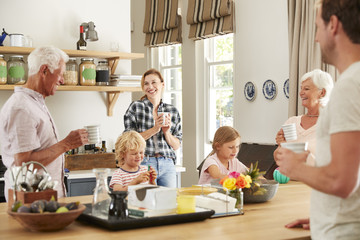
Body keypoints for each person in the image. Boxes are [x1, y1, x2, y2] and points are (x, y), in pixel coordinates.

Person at [275, 0, 360, 238]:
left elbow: (341, 181)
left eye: (316, 27)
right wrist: (323, 214)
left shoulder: (350, 86)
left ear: (333, 25)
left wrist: (295, 168)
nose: (315, 38)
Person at [0, 46, 88, 200]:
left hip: (42, 197)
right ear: (44, 70)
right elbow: (24, 164)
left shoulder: (35, 103)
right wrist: (66, 144)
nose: (62, 80)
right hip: (31, 201)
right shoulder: (21, 107)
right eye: (60, 74)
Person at [123, 68, 182, 188]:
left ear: (162, 84)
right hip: (144, 162)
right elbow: (129, 140)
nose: (150, 86)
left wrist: (167, 133)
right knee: (146, 202)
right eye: (146, 83)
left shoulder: (172, 111)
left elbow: (176, 145)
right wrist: (155, 129)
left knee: (169, 202)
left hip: (167, 163)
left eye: (154, 82)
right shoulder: (136, 107)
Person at [274, 69, 334, 165]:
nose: (301, 93)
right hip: (289, 179)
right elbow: (278, 158)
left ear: (322, 92)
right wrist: (282, 145)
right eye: (301, 88)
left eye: (306, 89)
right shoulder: (292, 122)